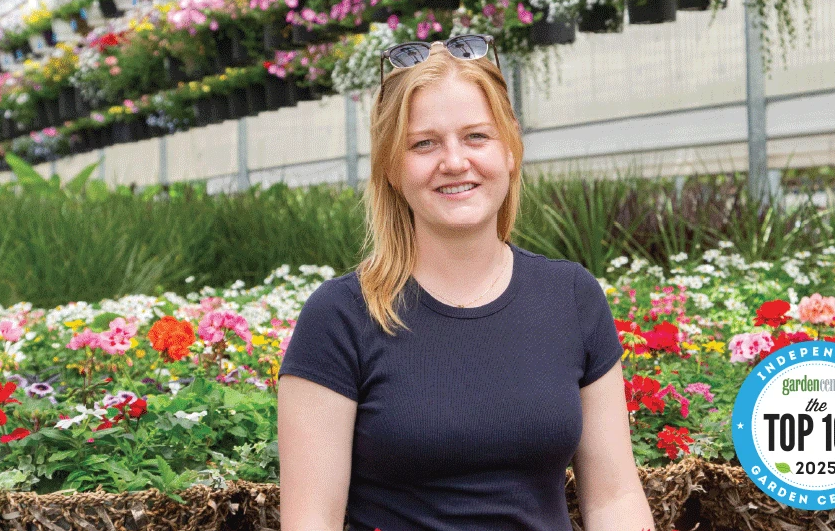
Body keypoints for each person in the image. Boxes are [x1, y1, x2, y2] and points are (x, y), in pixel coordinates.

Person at [277, 34, 655, 531]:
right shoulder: (343, 315)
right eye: (424, 143)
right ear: (391, 166)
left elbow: (614, 499)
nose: (454, 162)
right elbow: (311, 522)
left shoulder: (571, 297)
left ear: (511, 149)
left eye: (477, 136)